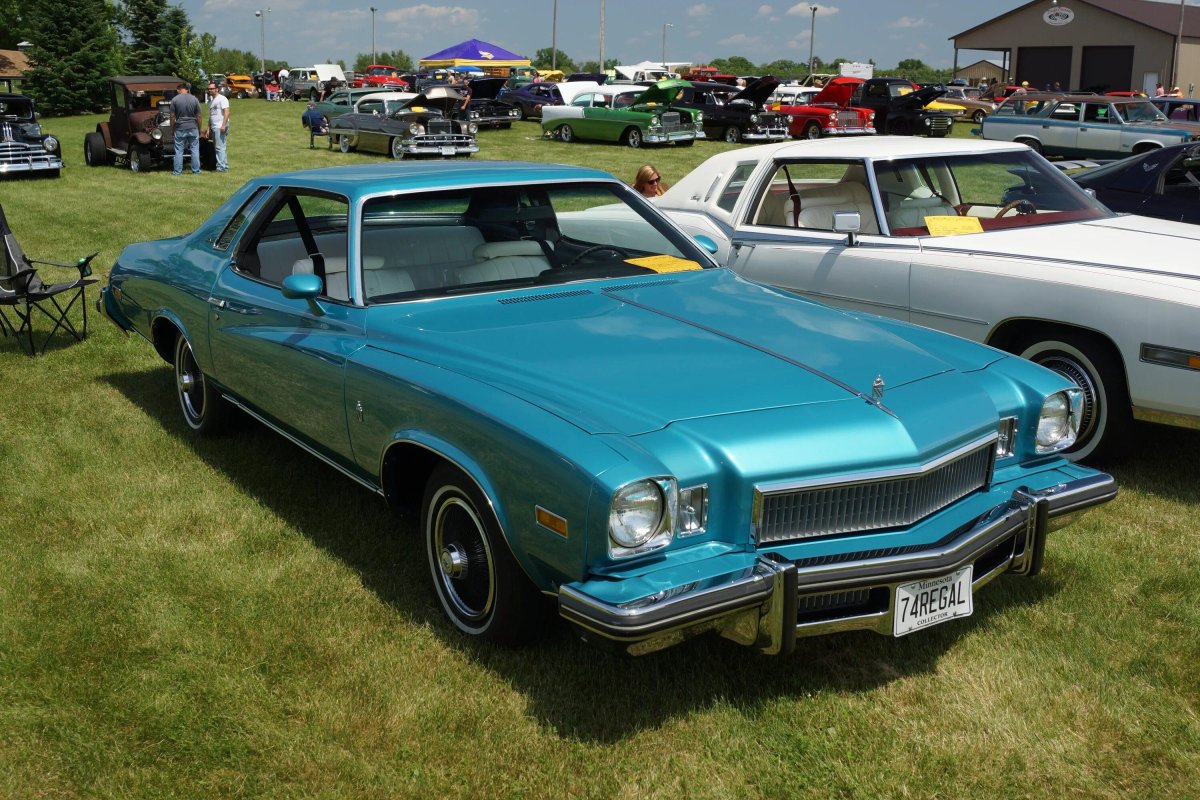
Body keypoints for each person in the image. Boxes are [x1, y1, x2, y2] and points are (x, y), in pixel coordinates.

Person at [169, 82, 202, 175]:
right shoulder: (194, 99)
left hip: (180, 127)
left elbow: (172, 116)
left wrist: (172, 129)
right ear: (187, 89)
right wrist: (199, 129)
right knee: (195, 149)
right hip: (193, 127)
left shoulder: (174, 100)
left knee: (179, 150)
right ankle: (196, 171)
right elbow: (199, 116)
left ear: (178, 90)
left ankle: (177, 171)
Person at [204, 82, 230, 172]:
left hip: (220, 126)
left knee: (219, 147)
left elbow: (227, 112)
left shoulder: (222, 99)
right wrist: (208, 129)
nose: (210, 90)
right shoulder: (211, 102)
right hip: (214, 126)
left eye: (212, 88)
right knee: (219, 147)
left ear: (217, 89)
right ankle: (224, 166)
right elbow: (210, 116)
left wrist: (223, 125)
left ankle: (221, 168)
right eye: (209, 89)